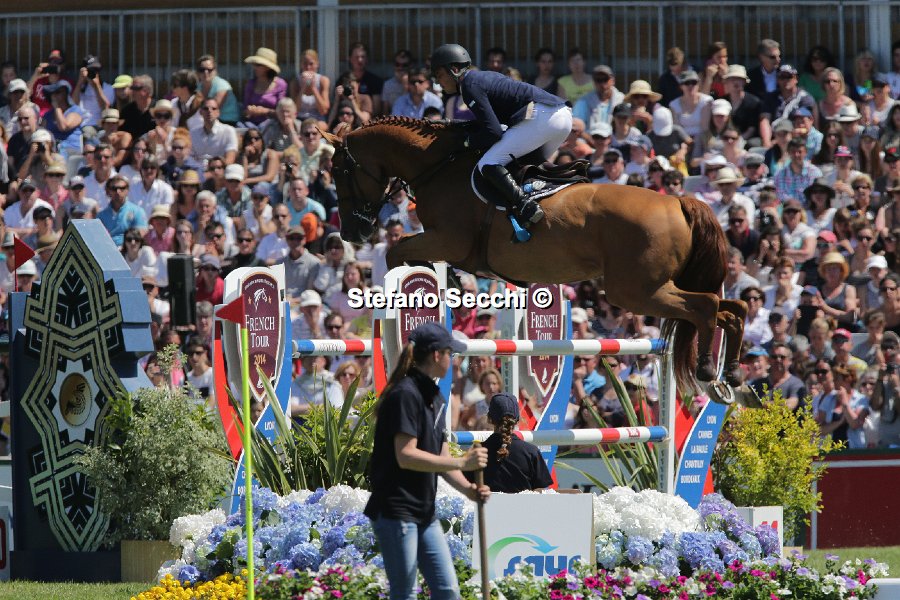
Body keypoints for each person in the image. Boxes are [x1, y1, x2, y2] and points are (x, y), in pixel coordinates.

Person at [364, 322, 489, 600]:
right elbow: (406, 455)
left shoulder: (435, 397)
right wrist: (463, 463)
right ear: (436, 355)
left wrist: (469, 489)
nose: (454, 360)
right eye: (450, 354)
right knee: (405, 593)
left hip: (423, 511)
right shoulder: (405, 394)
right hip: (396, 511)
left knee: (448, 590)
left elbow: (442, 457)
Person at [429, 43, 571, 225]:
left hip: (544, 118)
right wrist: (454, 125)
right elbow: (494, 125)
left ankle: (526, 207)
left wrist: (465, 142)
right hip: (562, 117)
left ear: (454, 70)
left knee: (488, 163)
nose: (438, 81)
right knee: (526, 166)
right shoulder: (479, 79)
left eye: (439, 75)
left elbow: (493, 133)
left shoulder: (469, 86)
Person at [462, 392, 552, 493]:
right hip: (525, 504)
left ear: (489, 419)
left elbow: (465, 487)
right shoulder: (531, 452)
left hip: (486, 503)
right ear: (517, 420)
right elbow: (541, 491)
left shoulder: (476, 453)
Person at [242, 47, 287, 127]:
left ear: (268, 67)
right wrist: (249, 111)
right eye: (254, 64)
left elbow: (282, 111)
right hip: (251, 126)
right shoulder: (250, 84)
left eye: (258, 65)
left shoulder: (280, 84)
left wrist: (264, 111)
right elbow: (244, 111)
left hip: (272, 126)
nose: (254, 68)